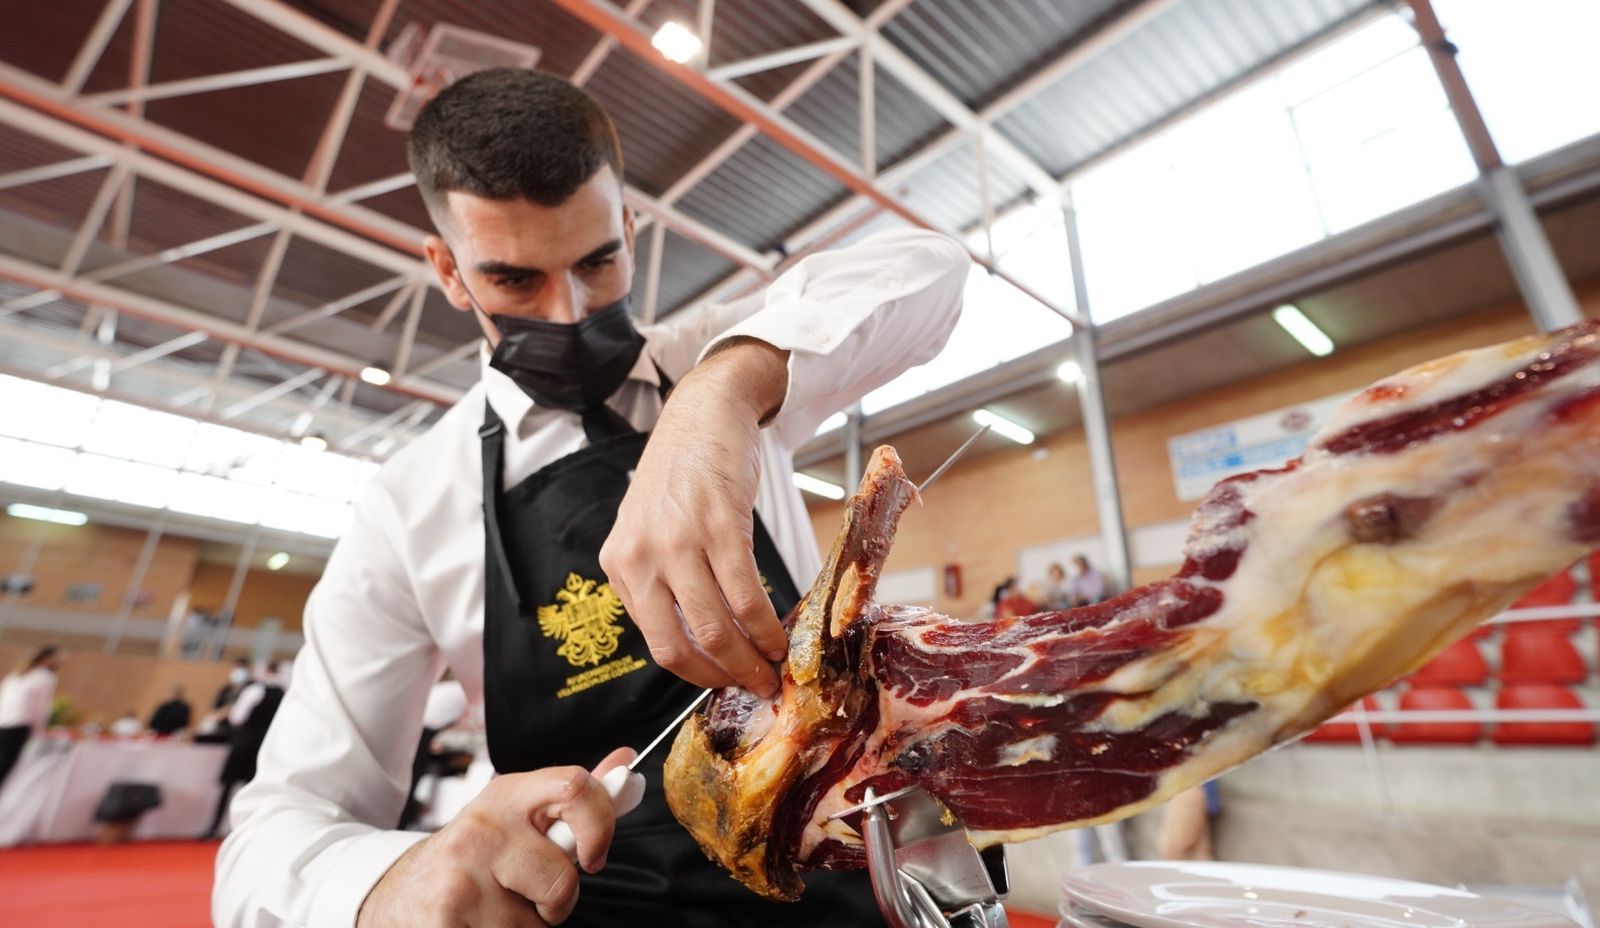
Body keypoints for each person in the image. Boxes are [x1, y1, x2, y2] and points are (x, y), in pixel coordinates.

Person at [214, 68, 966, 928]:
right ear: (448, 271)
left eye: (597, 262)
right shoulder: (411, 502)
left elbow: (931, 268)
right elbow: (275, 829)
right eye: (513, 281)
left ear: (630, 230)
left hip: (846, 884)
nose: (569, 311)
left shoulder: (720, 360)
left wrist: (721, 390)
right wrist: (389, 883)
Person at [204, 662, 286, 840]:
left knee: (229, 786)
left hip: (244, 742)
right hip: (265, 747)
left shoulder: (254, 690)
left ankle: (215, 827)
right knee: (252, 789)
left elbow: (237, 718)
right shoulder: (283, 694)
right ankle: (244, 831)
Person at [0, 645, 60, 789]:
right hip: (17, 726)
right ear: (47, 659)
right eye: (57, 658)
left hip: (3, 722)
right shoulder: (45, 677)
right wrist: (38, 733)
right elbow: (41, 708)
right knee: (4, 767)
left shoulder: (16, 675)